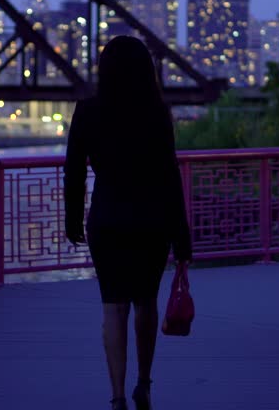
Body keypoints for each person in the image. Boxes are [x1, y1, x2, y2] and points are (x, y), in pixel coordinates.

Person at [64, 35, 192, 410]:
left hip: (106, 220)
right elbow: (170, 176)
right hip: (151, 220)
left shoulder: (87, 111)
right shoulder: (157, 112)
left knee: (112, 306)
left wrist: (73, 218)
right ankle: (144, 382)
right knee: (145, 303)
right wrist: (182, 239)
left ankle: (117, 396)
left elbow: (73, 172)